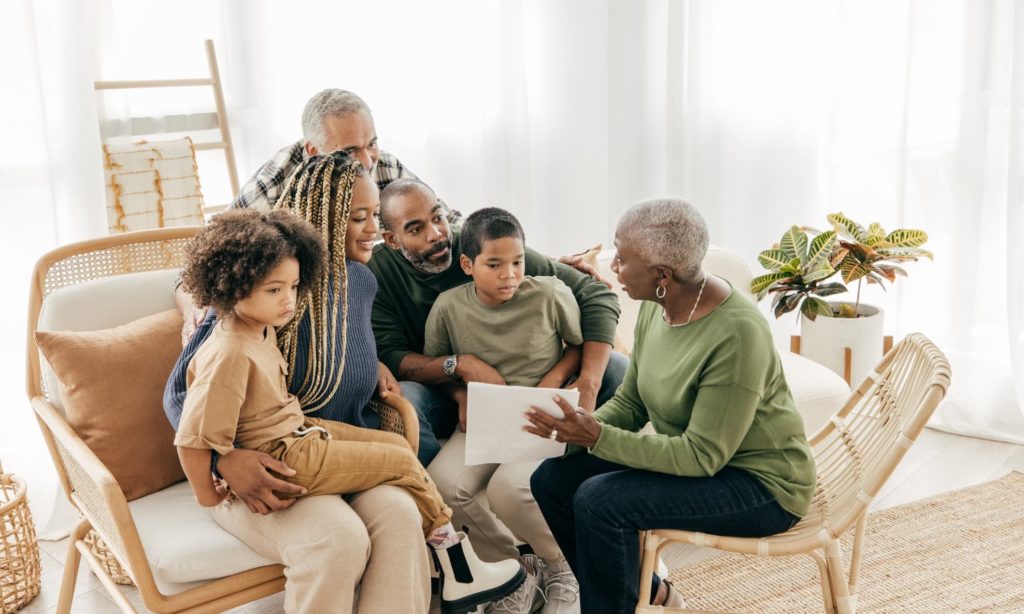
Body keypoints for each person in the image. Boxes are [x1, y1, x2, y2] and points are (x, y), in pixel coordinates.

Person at [173, 207, 526, 613]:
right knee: (403, 467)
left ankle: (458, 570)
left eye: (292, 286)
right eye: (275, 290)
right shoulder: (230, 350)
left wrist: (370, 362)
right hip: (282, 457)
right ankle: (460, 568)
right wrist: (210, 491)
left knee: (397, 461)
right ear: (234, 289)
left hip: (300, 434)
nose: (288, 300)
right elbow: (192, 437)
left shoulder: (262, 326)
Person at [164, 152, 429, 613]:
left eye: (376, 217)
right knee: (337, 540)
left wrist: (377, 363)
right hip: (270, 464)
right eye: (357, 218)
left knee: (402, 516)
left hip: (334, 448)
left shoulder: (361, 282)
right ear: (323, 215)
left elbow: (347, 352)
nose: (373, 231)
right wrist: (224, 464)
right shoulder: (255, 293)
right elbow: (181, 396)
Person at [524, 199, 817, 613]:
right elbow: (632, 399)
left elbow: (702, 455)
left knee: (599, 500)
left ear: (662, 274)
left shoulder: (736, 335)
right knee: (552, 480)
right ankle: (645, 592)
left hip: (761, 486)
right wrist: (570, 433)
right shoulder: (658, 308)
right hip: (705, 461)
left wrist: (597, 436)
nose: (613, 268)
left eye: (622, 260)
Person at [368, 178, 628, 469]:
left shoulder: (477, 246)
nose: (436, 234)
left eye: (437, 217)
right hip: (446, 389)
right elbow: (393, 355)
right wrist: (460, 374)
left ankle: (578, 467)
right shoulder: (376, 273)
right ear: (391, 239)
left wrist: (588, 384)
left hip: (530, 385)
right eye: (416, 229)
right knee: (409, 397)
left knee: (616, 366)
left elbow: (594, 293)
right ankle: (431, 492)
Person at [422, 208, 584, 613]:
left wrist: (553, 382)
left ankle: (563, 568)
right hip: (487, 419)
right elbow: (437, 368)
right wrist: (461, 396)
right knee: (442, 483)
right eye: (494, 264)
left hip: (541, 417)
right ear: (468, 264)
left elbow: (579, 346)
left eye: (517, 262)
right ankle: (513, 574)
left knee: (508, 488)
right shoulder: (448, 307)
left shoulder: (549, 294)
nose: (509, 274)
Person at [231, 88, 462, 229]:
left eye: (371, 144)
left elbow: (448, 221)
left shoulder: (384, 167)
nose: (367, 161)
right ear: (313, 151)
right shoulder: (276, 182)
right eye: (350, 151)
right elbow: (224, 246)